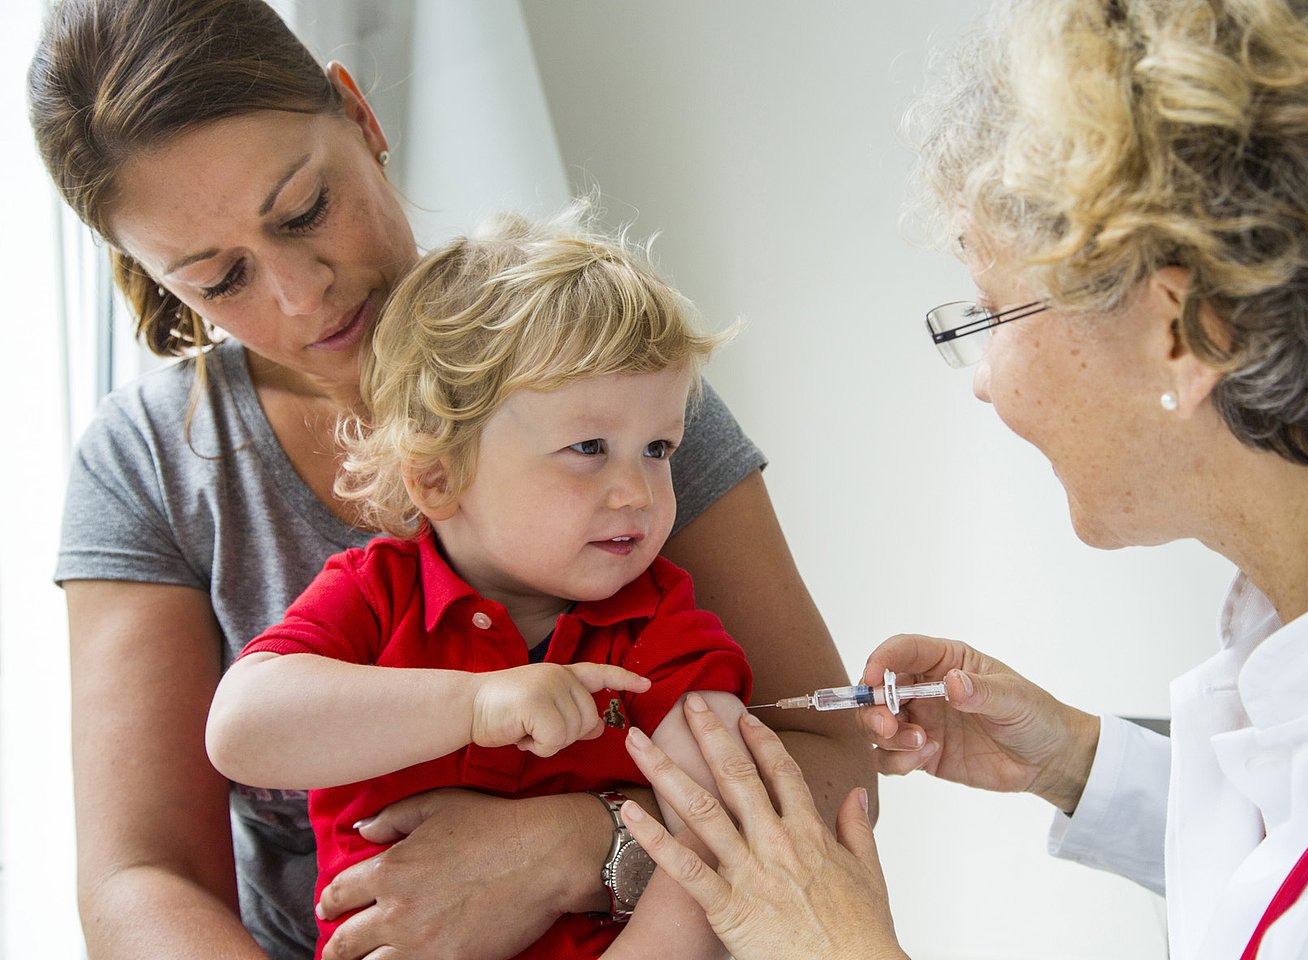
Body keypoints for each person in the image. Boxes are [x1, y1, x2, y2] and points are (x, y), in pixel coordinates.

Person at [27, 1, 874, 958]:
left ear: (361, 117)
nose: (302, 295)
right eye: (220, 280)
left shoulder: (603, 390)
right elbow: (140, 881)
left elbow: (832, 766)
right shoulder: (148, 462)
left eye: (306, 210)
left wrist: (569, 849)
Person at [611, 1, 1308, 958]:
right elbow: (1299, 854)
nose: (985, 382)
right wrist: (1083, 761)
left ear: (1189, 332)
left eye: (991, 312)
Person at [206, 212, 752, 960]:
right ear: (437, 474)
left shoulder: (663, 629)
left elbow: (718, 844)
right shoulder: (373, 595)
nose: (639, 491)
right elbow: (241, 731)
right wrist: (474, 705)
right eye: (589, 448)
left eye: (658, 448)